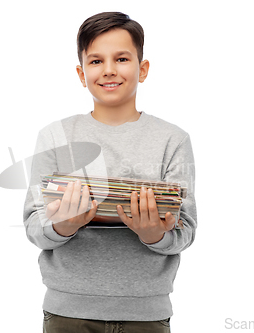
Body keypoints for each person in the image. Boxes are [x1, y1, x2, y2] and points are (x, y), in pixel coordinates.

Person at [23, 11, 197, 333]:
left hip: (147, 315)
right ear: (81, 73)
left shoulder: (173, 139)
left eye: (121, 58)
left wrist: (154, 234)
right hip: (67, 313)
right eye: (96, 61)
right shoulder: (55, 136)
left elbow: (185, 230)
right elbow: (34, 226)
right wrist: (63, 225)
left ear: (142, 69)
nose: (109, 71)